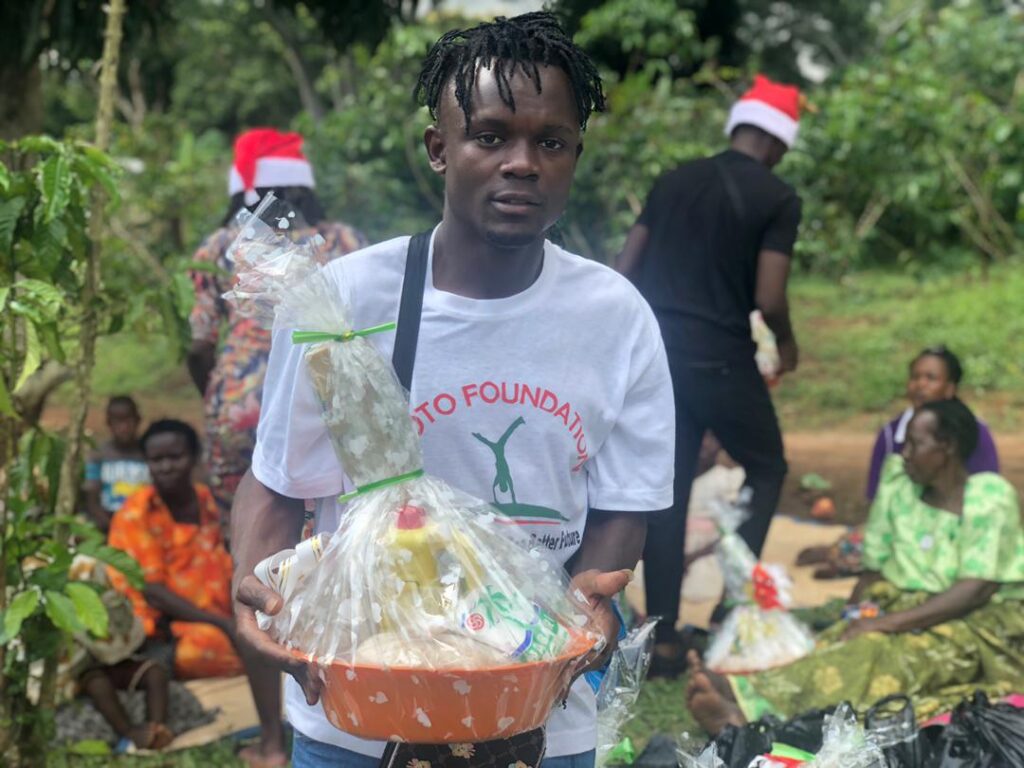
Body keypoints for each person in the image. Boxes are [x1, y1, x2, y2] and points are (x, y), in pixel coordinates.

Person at [230, 13, 674, 768]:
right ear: (441, 149)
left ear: (575, 155)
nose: (523, 163)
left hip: (539, 708)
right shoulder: (345, 302)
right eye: (492, 136)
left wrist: (589, 604)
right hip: (358, 713)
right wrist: (253, 584)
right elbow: (276, 485)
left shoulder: (616, 318)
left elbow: (622, 507)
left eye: (552, 142)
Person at [686, 398, 1024, 734]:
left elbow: (975, 589)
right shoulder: (901, 487)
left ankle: (751, 714)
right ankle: (744, 694)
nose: (904, 452)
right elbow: (874, 566)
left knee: (876, 651)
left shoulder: (988, 498)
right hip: (902, 606)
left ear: (946, 446)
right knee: (838, 644)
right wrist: (853, 615)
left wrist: (886, 624)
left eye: (915, 444)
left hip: (970, 620)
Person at [617, 75, 803, 675]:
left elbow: (627, 266)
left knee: (667, 490)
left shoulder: (675, 180)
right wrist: (789, 342)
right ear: (779, 144)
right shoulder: (777, 197)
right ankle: (731, 608)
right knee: (768, 465)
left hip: (657, 357)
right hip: (720, 356)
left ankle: (664, 638)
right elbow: (769, 297)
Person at [186, 128, 365, 531]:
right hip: (322, 412)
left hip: (238, 412)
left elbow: (200, 346)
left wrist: (221, 401)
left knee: (243, 535)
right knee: (317, 538)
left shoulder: (218, 247)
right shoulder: (344, 241)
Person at [798, 345, 1001, 579]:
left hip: (955, 523)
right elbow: (877, 501)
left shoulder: (973, 432)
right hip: (901, 525)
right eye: (915, 377)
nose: (920, 385)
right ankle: (838, 555)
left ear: (950, 388)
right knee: (859, 546)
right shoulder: (890, 434)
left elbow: (985, 492)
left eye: (931, 378)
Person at [108, 419, 244, 681]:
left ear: (193, 457)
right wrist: (224, 625)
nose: (166, 467)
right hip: (170, 630)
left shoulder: (211, 502)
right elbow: (154, 593)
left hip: (229, 615)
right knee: (203, 650)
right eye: (157, 460)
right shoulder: (136, 514)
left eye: (175, 457)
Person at [83, 395, 150, 532]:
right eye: (117, 422)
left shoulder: (149, 453)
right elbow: (92, 496)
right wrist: (111, 526)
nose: (124, 427)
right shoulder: (99, 455)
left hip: (145, 524)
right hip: (108, 523)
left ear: (138, 421)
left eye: (128, 420)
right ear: (109, 423)